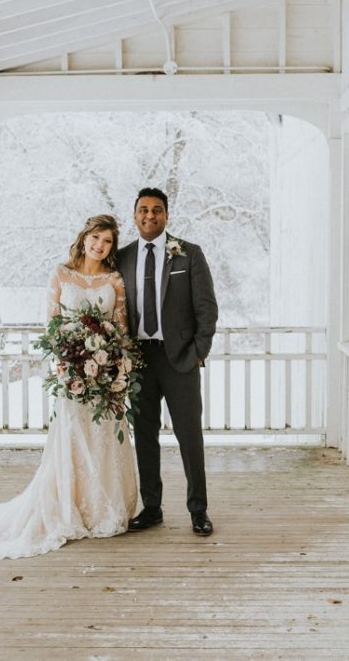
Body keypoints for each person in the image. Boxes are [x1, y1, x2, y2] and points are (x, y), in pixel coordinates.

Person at [0, 214, 140, 559]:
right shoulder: (62, 274)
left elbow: (120, 328)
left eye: (107, 241)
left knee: (105, 436)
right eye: (95, 238)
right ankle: (69, 508)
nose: (99, 245)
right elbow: (52, 326)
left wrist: (116, 364)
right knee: (73, 438)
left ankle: (104, 508)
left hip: (106, 374)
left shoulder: (115, 280)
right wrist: (66, 360)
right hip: (73, 372)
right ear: (84, 238)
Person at [116, 187, 218, 536]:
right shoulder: (123, 257)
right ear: (134, 215)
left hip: (180, 359)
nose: (149, 216)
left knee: (189, 436)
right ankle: (152, 508)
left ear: (166, 215)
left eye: (156, 210)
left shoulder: (189, 254)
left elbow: (207, 310)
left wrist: (197, 353)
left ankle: (198, 510)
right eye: (143, 210)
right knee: (144, 437)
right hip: (140, 360)